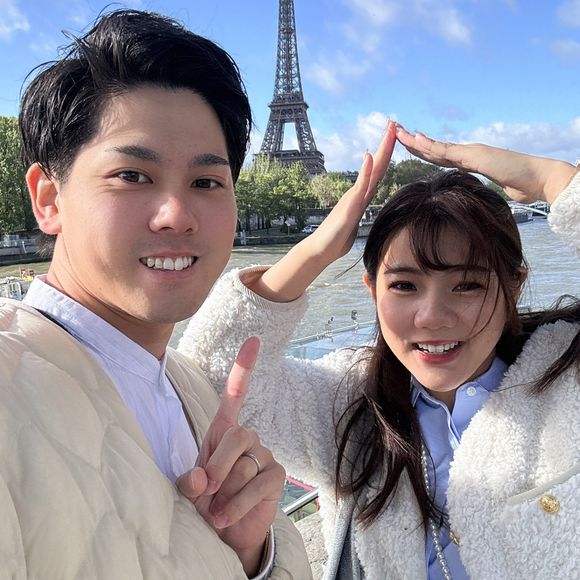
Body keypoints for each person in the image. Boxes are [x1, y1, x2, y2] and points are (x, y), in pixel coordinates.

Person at [179, 123, 580, 579]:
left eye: (467, 285)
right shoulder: (348, 405)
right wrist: (315, 251)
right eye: (404, 285)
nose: (431, 317)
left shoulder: (567, 382)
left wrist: (553, 180)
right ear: (372, 290)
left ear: (515, 286)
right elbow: (214, 374)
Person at [0, 9, 312, 579]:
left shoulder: (190, 383)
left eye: (206, 182)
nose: (177, 214)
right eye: (132, 176)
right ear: (48, 198)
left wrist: (250, 554)